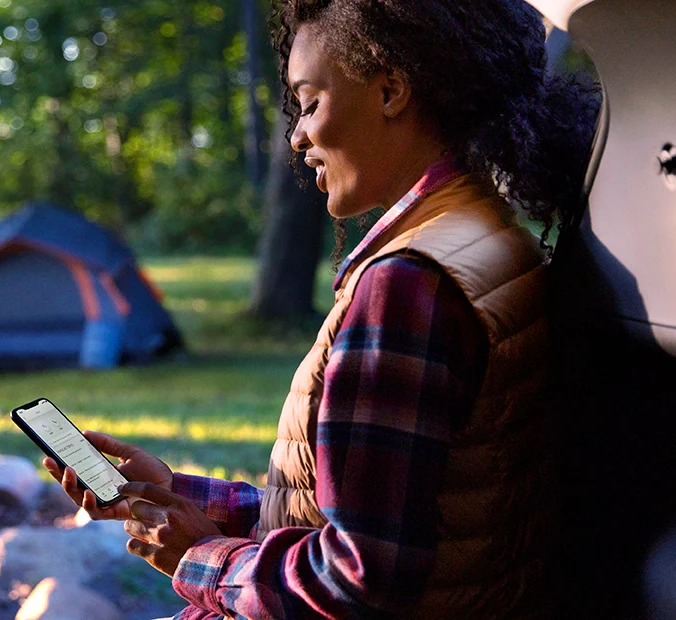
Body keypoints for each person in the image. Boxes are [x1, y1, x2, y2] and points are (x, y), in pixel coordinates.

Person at [45, 1, 597, 618]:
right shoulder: (489, 237)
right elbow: (374, 514)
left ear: (390, 89)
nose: (297, 136)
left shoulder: (406, 286)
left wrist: (202, 557)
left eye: (309, 103)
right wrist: (182, 496)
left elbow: (356, 583)